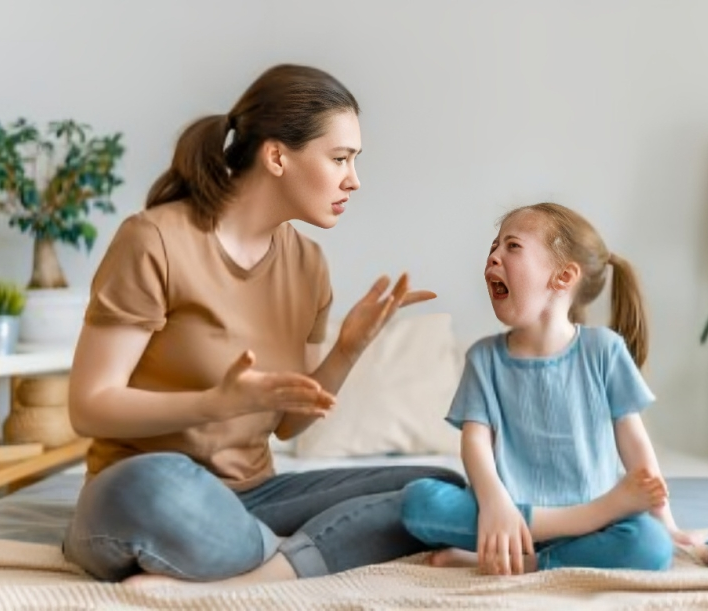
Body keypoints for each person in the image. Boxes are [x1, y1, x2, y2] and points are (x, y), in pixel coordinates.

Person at [62, 64, 464, 586]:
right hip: (144, 487)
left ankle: (263, 567)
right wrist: (215, 403)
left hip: (254, 496)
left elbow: (287, 424)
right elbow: (88, 405)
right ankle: (296, 554)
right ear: (277, 155)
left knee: (438, 487)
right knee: (160, 485)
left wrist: (348, 347)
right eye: (340, 158)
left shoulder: (308, 266)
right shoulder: (155, 240)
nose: (354, 180)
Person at [401, 202, 704, 576]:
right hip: (510, 516)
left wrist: (667, 523)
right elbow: (475, 443)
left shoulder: (604, 350)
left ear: (563, 277)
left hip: (592, 521)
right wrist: (496, 503)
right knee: (418, 502)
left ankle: (530, 561)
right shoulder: (484, 358)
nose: (493, 257)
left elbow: (634, 443)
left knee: (651, 545)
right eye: (492, 247)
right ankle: (546, 536)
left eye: (511, 246)